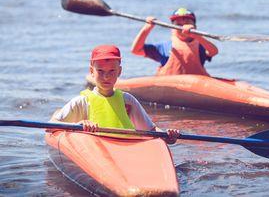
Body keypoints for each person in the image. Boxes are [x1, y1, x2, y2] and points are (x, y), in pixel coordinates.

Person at [51, 45, 180, 144]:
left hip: (126, 151)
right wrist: (77, 126)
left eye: (112, 71)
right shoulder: (82, 101)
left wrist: (167, 136)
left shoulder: (128, 100)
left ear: (119, 71)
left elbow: (152, 131)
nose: (106, 76)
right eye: (100, 71)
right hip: (97, 152)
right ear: (91, 71)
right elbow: (51, 125)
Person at [131, 8, 218, 76]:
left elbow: (213, 52)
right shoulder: (164, 47)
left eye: (187, 23)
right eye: (178, 25)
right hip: (169, 88)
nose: (183, 27)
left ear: (195, 26)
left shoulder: (200, 45)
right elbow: (136, 50)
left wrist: (196, 35)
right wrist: (146, 28)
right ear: (172, 28)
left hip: (196, 87)